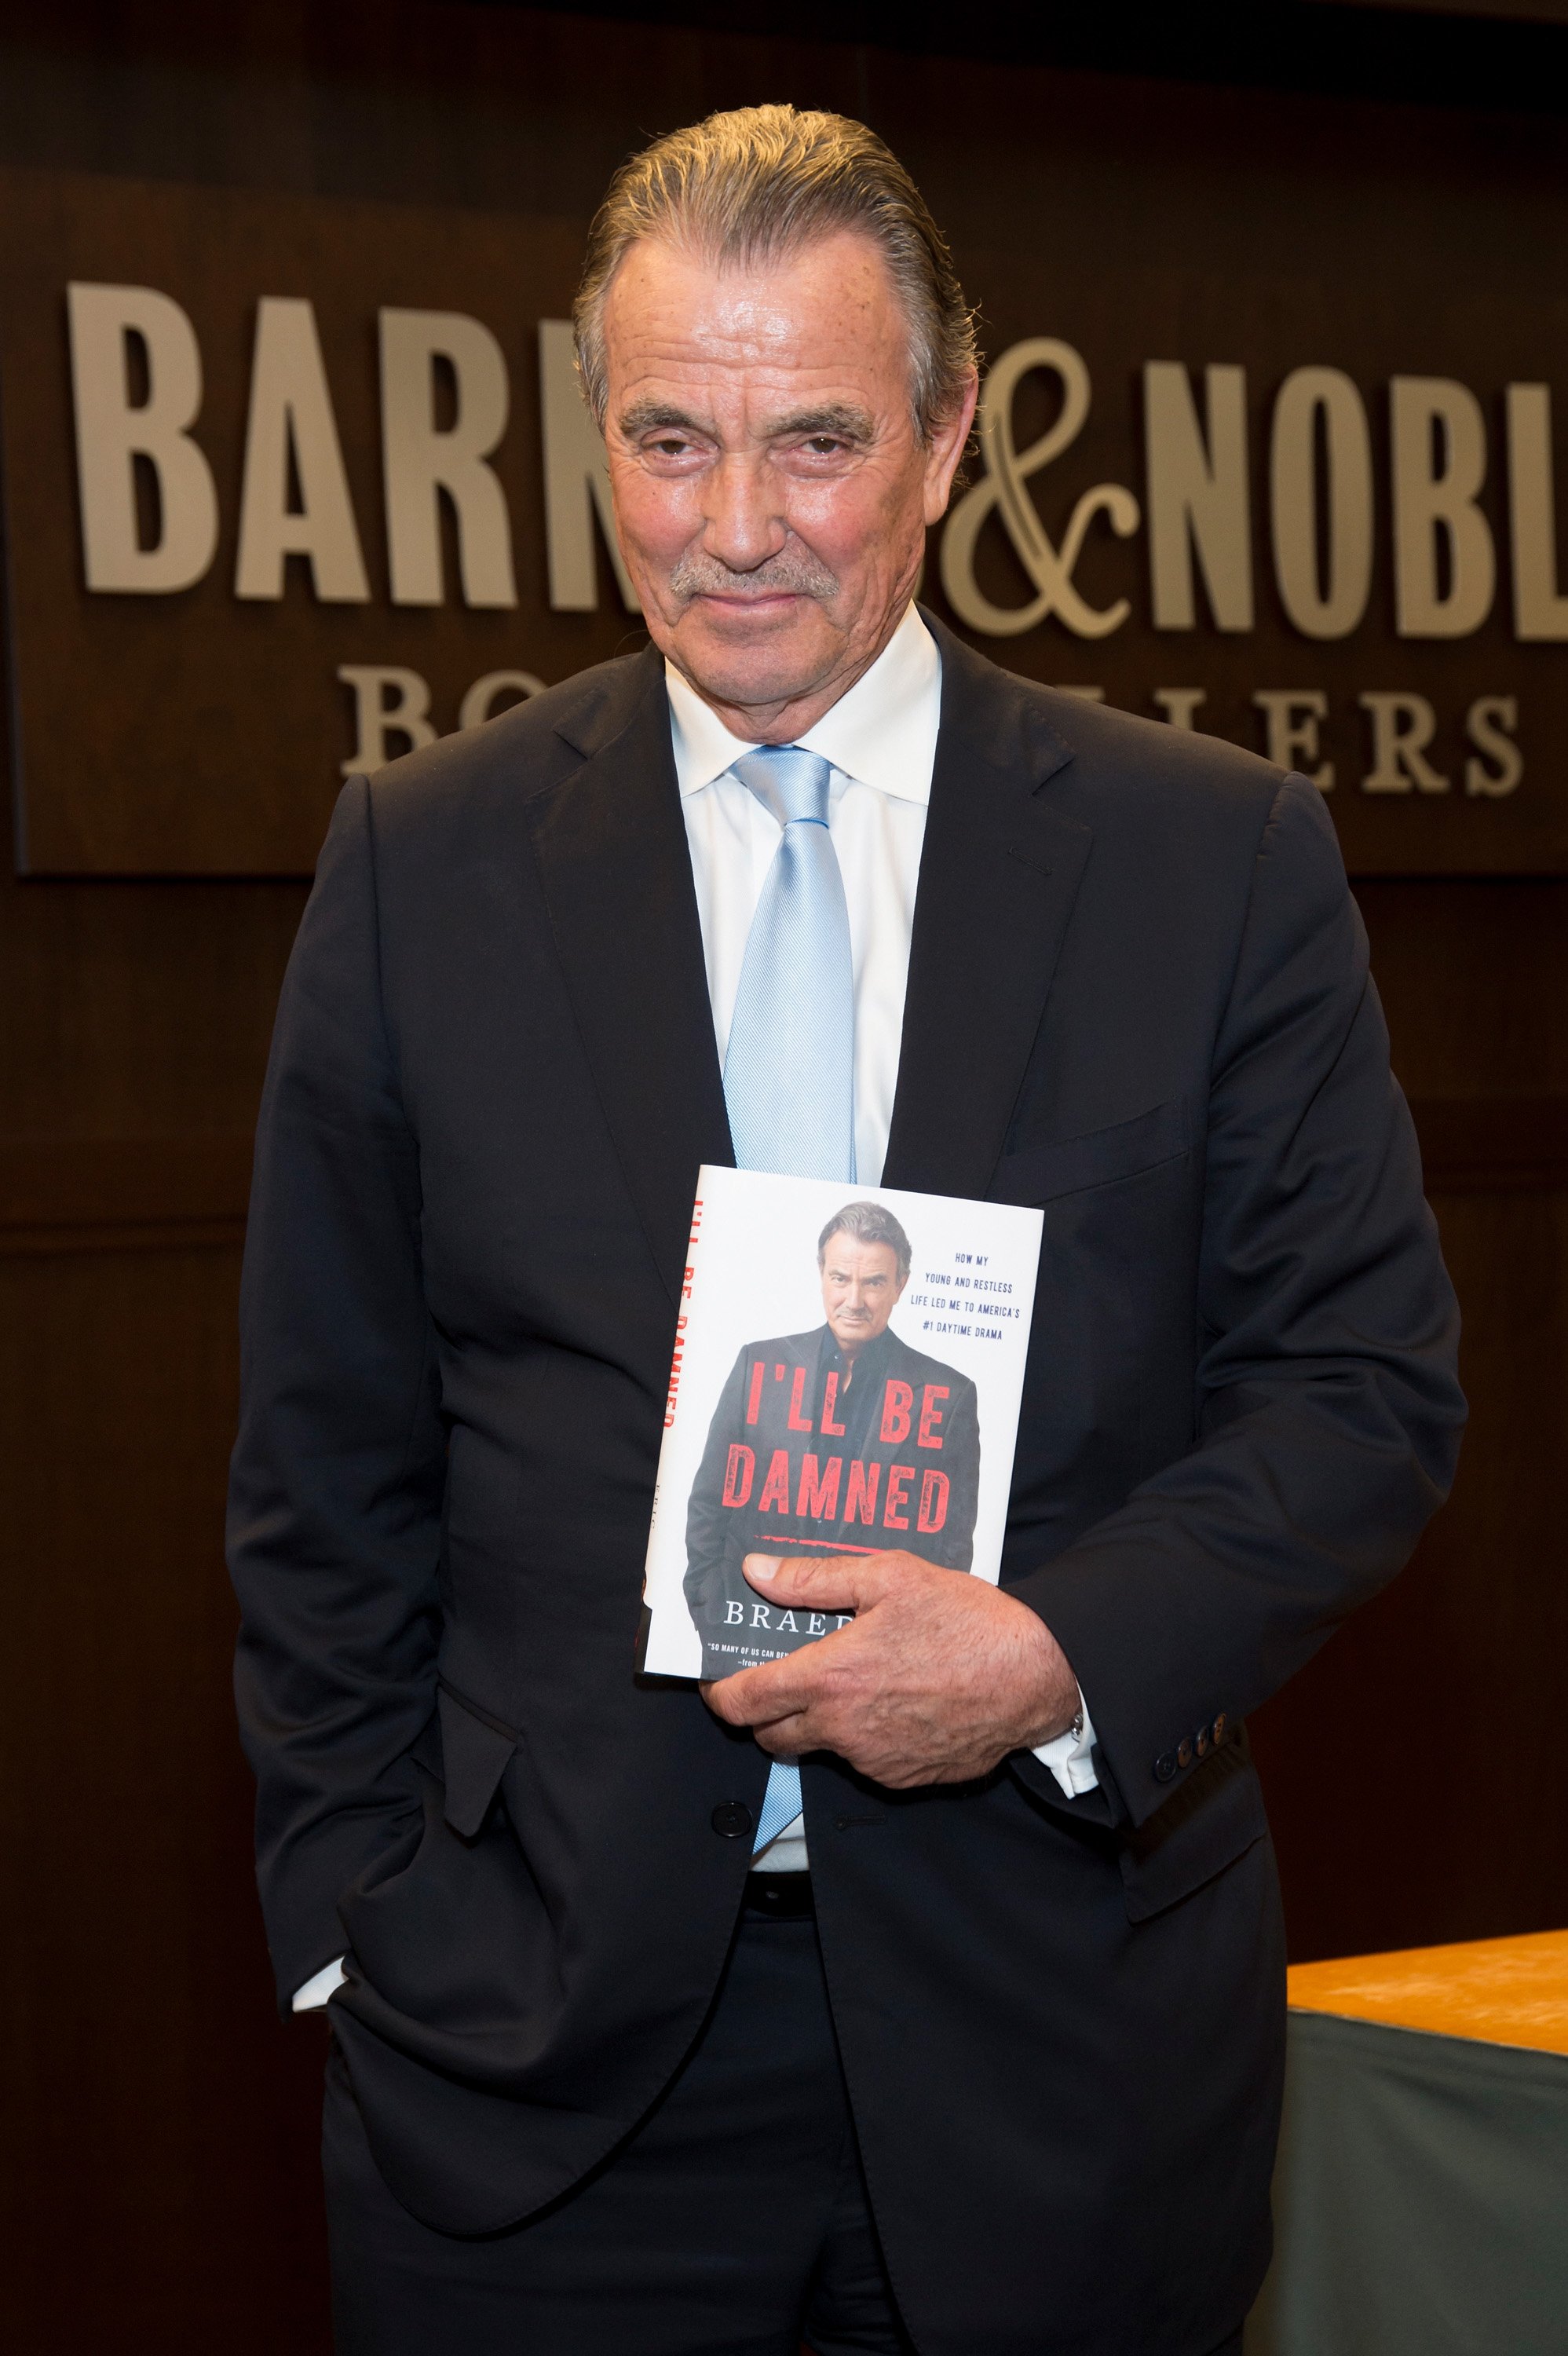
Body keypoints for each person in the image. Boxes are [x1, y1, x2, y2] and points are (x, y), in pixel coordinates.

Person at [228, 104, 1464, 2356]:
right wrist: (353, 1919)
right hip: (530, 2068)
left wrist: (1052, 1661)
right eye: (667, 440)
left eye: (810, 443)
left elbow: (1360, 1397)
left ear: (947, 433)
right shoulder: (425, 860)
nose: (730, 533)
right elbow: (323, 1464)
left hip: (1056, 2052)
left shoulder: (1210, 863)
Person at [684, 1202, 981, 1677]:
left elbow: (951, 1551)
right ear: (821, 1274)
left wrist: (907, 1652)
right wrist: (712, 1614)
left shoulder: (950, 1396)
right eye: (841, 1278)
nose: (855, 1300)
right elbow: (708, 1503)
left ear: (901, 1285)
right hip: (749, 1637)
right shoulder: (755, 1364)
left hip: (875, 1663)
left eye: (874, 1282)